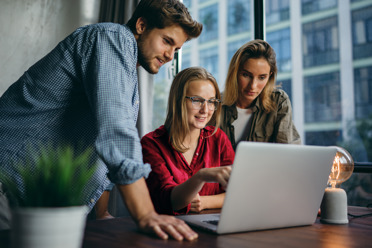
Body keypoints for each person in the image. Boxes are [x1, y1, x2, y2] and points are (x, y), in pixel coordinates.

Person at [0, 0, 202, 241]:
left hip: (33, 198)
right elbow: (115, 131)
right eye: (167, 41)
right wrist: (146, 213)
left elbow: (100, 150)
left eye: (176, 49)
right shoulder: (111, 38)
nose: (170, 55)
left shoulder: (127, 73)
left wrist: (102, 214)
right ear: (141, 25)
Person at [141, 67, 235, 215]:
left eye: (211, 102)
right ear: (178, 101)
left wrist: (203, 203)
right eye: (197, 101)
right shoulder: (151, 144)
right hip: (168, 231)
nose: (205, 110)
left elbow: (236, 193)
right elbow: (170, 201)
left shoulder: (218, 138)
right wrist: (201, 176)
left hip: (211, 227)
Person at [220, 39, 301, 150]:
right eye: (246, 75)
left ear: (269, 76)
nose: (253, 86)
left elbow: (289, 153)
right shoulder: (214, 104)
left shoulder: (278, 101)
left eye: (262, 77)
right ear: (235, 73)